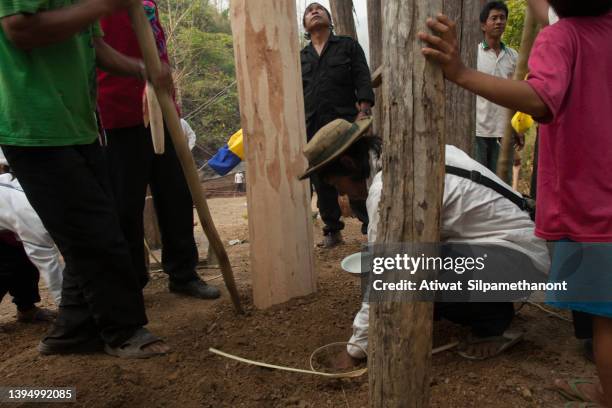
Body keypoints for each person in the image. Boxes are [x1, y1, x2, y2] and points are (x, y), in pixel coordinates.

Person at [419, 1, 612, 405]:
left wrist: (460, 73)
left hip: (593, 208)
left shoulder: (563, 37)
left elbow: (542, 97)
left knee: (605, 320)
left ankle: (607, 392)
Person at [298, 118, 550, 366]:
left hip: (520, 260)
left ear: (348, 163)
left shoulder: (388, 188)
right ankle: (489, 305)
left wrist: (356, 349)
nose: (342, 193)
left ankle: (494, 325)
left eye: (336, 184)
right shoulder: (419, 152)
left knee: (415, 276)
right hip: (522, 248)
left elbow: (384, 273)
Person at [0, 0, 170, 358]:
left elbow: (94, 46)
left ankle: (74, 331)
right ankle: (122, 329)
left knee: (93, 228)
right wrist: (103, 6)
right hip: (34, 125)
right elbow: (20, 30)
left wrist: (143, 69)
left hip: (79, 123)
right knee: (96, 232)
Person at [97, 0, 220, 299]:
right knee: (126, 203)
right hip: (119, 113)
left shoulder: (148, 4)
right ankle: (132, 282)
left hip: (163, 109)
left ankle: (183, 273)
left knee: (176, 194)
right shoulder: (96, 6)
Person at [301, 2, 375, 248]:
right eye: (309, 11)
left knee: (356, 172)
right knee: (323, 180)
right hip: (313, 127)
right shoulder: (300, 57)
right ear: (305, 25)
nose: (314, 11)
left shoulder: (348, 46)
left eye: (319, 9)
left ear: (329, 20)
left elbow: (362, 76)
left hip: (345, 124)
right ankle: (332, 229)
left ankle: (370, 225)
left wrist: (364, 110)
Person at [0, 153, 58, 324]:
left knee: (24, 261)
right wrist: (66, 304)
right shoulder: (30, 209)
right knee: (5, 267)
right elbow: (49, 262)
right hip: (13, 217)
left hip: (10, 224)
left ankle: (26, 308)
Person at [475, 2, 518, 174]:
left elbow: (515, 94)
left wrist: (517, 128)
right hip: (478, 129)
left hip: (503, 131)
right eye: (494, 18)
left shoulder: (513, 56)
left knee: (501, 185)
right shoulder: (474, 53)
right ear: (483, 25)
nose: (499, 21)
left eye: (502, 18)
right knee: (478, 183)